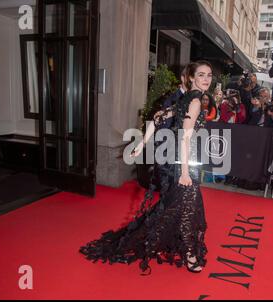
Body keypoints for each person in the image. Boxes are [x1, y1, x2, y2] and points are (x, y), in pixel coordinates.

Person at [80, 61, 212, 273]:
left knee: (179, 207)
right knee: (187, 209)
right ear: (192, 78)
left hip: (178, 163)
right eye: (202, 75)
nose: (206, 79)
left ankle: (161, 243)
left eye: (209, 75)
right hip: (184, 164)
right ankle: (188, 255)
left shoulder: (186, 98)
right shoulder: (194, 101)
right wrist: (185, 172)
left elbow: (157, 118)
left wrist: (141, 144)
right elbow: (184, 139)